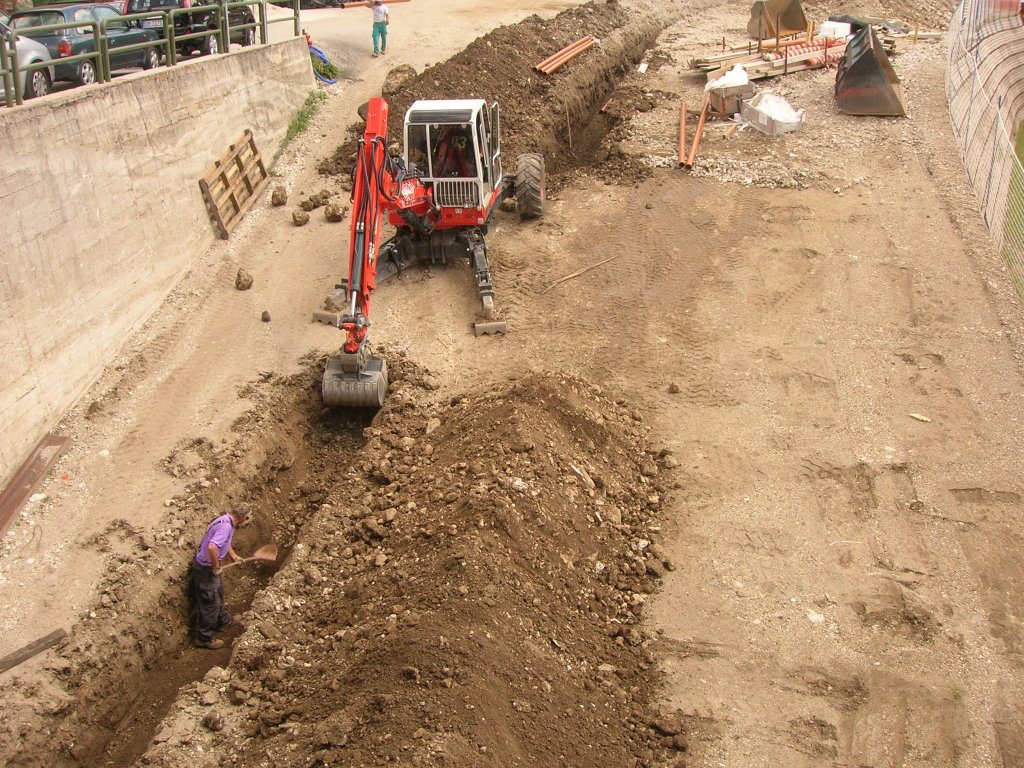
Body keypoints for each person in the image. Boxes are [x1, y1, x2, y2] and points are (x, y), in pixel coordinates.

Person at [190, 503, 251, 649]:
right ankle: (204, 638)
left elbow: (224, 542)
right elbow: (212, 547)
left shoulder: (225, 520)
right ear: (242, 518)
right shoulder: (226, 527)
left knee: (218, 593)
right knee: (210, 603)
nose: (248, 520)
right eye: (248, 517)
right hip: (205, 570)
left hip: (208, 568)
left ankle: (223, 621)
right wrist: (216, 566)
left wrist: (234, 556)